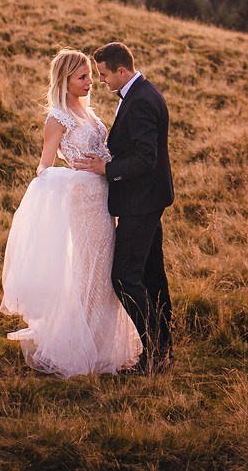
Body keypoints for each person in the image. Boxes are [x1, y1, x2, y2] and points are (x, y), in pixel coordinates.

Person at [0, 49, 141, 376]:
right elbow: (44, 167)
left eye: (91, 75)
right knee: (91, 270)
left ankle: (101, 342)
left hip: (103, 198)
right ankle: (83, 346)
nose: (91, 82)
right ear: (65, 80)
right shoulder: (57, 118)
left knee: (104, 270)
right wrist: (73, 176)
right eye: (82, 77)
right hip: (84, 201)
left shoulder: (86, 111)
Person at [77, 42, 175, 374]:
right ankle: (164, 349)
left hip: (141, 203)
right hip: (147, 199)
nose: (100, 81)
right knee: (151, 275)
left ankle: (154, 352)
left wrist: (107, 169)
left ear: (122, 70)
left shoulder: (142, 101)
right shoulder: (140, 93)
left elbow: (146, 158)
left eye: (104, 74)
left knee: (124, 278)